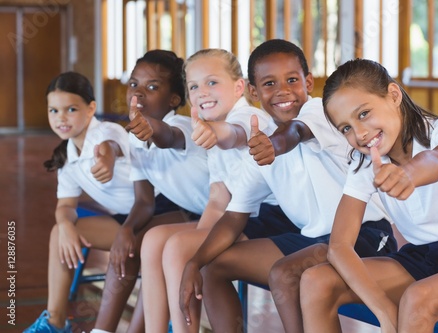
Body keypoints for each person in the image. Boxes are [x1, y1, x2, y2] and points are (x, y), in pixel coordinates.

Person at [178, 39, 396, 333]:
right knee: (213, 267)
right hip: (312, 239)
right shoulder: (261, 144)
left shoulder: (321, 112)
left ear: (307, 82)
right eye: (269, 83)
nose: (282, 90)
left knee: (284, 272)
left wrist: (274, 146)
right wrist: (194, 262)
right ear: (253, 92)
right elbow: (233, 216)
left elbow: (295, 132)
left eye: (292, 80)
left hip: (364, 236)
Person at [300, 58, 438, 333]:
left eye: (363, 114)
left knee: (418, 298)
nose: (359, 133)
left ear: (394, 95)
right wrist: (384, 309)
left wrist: (408, 175)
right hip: (425, 257)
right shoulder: (367, 163)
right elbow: (339, 247)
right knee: (316, 281)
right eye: (345, 128)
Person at [140, 48, 281, 333]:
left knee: (178, 247)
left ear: (239, 86)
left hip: (273, 219)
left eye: (212, 82)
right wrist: (198, 240)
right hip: (237, 218)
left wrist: (217, 133)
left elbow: (234, 134)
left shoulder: (251, 119)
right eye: (194, 86)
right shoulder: (211, 129)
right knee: (156, 239)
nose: (202, 92)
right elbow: (218, 201)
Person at [90, 50, 211, 333]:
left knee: (152, 246)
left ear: (174, 99)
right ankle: (102, 330)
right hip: (188, 211)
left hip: (220, 215)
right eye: (134, 84)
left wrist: (151, 128)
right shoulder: (135, 139)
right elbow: (144, 201)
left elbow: (167, 136)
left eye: (152, 87)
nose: (139, 93)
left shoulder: (183, 126)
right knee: (129, 248)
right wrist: (126, 229)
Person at [24, 71, 136, 333]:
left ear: (91, 109)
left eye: (71, 109)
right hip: (123, 220)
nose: (61, 118)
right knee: (59, 231)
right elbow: (65, 207)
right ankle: (55, 322)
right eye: (54, 110)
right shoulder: (67, 157)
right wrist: (65, 226)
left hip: (154, 217)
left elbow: (111, 146)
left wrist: (106, 160)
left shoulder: (106, 131)